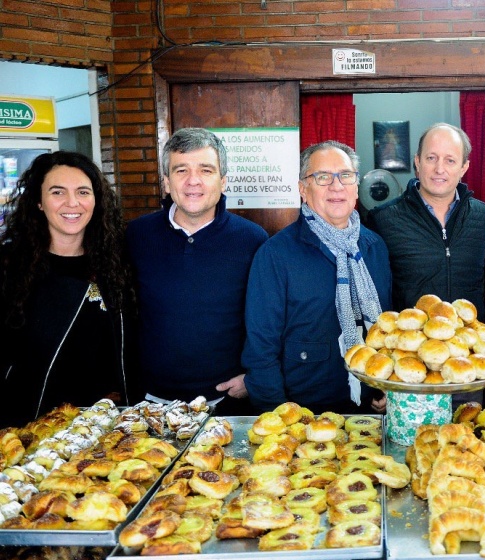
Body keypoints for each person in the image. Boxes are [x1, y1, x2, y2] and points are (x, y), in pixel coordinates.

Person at [126, 128, 268, 414]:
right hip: (149, 404)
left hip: (227, 403)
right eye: (181, 170)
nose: (193, 181)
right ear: (166, 182)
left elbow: (268, 321)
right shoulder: (135, 235)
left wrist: (253, 376)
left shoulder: (253, 240)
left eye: (206, 170)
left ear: (223, 180)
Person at [243, 141, 392, 415]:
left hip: (368, 415)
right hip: (304, 420)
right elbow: (260, 352)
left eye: (346, 175)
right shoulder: (275, 255)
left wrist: (387, 390)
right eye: (322, 177)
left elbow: (386, 332)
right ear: (303, 189)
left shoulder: (375, 248)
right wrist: (280, 420)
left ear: (356, 186)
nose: (336, 186)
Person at [0, 151, 135, 427]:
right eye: (57, 192)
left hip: (104, 431)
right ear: (38, 201)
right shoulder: (9, 267)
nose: (72, 203)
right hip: (26, 430)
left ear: (96, 201)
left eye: (83, 192)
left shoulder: (118, 263)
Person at [366, 123, 485, 321]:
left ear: (464, 167)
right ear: (417, 162)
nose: (439, 169)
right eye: (431, 158)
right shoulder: (382, 220)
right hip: (410, 347)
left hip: (470, 346)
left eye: (450, 160)